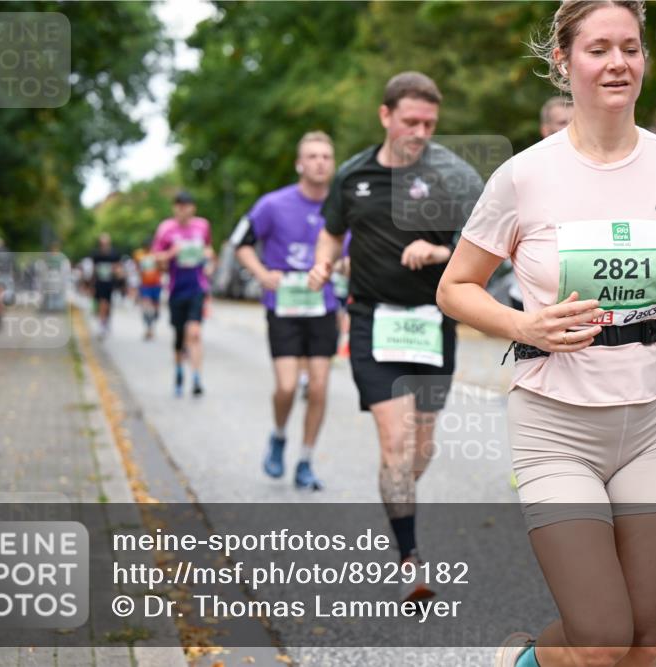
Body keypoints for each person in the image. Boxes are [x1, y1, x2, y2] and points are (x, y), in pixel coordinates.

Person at [436, 2, 656, 666]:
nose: (618, 62)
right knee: (604, 636)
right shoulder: (525, 175)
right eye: (598, 49)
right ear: (564, 62)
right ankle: (524, 660)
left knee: (647, 633)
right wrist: (523, 322)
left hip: (654, 418)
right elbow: (454, 286)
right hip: (557, 423)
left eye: (631, 48)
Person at [308, 71, 484, 601]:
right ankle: (409, 557)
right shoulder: (352, 176)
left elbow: (486, 249)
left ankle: (399, 492)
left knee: (420, 447)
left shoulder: (453, 179)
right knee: (396, 440)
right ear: (385, 116)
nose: (421, 131)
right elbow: (332, 233)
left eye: (430, 122)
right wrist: (322, 265)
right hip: (370, 321)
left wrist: (436, 253)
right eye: (411, 121)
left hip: (431, 323)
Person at [234, 131, 338, 491]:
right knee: (287, 385)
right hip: (284, 306)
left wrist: (337, 269)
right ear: (299, 163)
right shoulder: (272, 205)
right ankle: (279, 436)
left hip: (323, 306)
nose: (319, 162)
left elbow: (351, 256)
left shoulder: (340, 209)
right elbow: (241, 243)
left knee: (321, 387)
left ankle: (306, 460)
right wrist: (263, 275)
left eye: (326, 156)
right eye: (312, 156)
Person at [507, 97, 574, 312]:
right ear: (545, 129)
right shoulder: (523, 172)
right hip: (530, 299)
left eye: (575, 121)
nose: (570, 128)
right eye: (563, 122)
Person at [152, 191, 215, 397]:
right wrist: (171, 254)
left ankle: (196, 377)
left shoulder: (202, 226)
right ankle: (179, 372)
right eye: (179, 205)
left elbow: (209, 250)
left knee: (194, 333)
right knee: (180, 336)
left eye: (186, 205)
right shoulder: (166, 229)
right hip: (176, 289)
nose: (183, 209)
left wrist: (209, 261)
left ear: (193, 207)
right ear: (174, 208)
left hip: (197, 287)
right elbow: (155, 258)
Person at [90, 233, 121, 339]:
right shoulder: (96, 255)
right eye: (102, 243)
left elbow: (118, 269)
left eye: (106, 243)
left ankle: (107, 320)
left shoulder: (114, 254)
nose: (104, 245)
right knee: (102, 303)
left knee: (108, 304)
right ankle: (102, 324)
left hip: (110, 283)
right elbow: (94, 269)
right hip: (100, 283)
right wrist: (91, 285)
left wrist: (115, 270)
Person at [134, 243, 163, 341]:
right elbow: (137, 269)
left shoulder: (157, 256)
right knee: (146, 307)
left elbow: (162, 268)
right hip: (145, 285)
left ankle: (152, 325)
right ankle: (148, 328)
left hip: (156, 285)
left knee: (156, 310)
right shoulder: (140, 256)